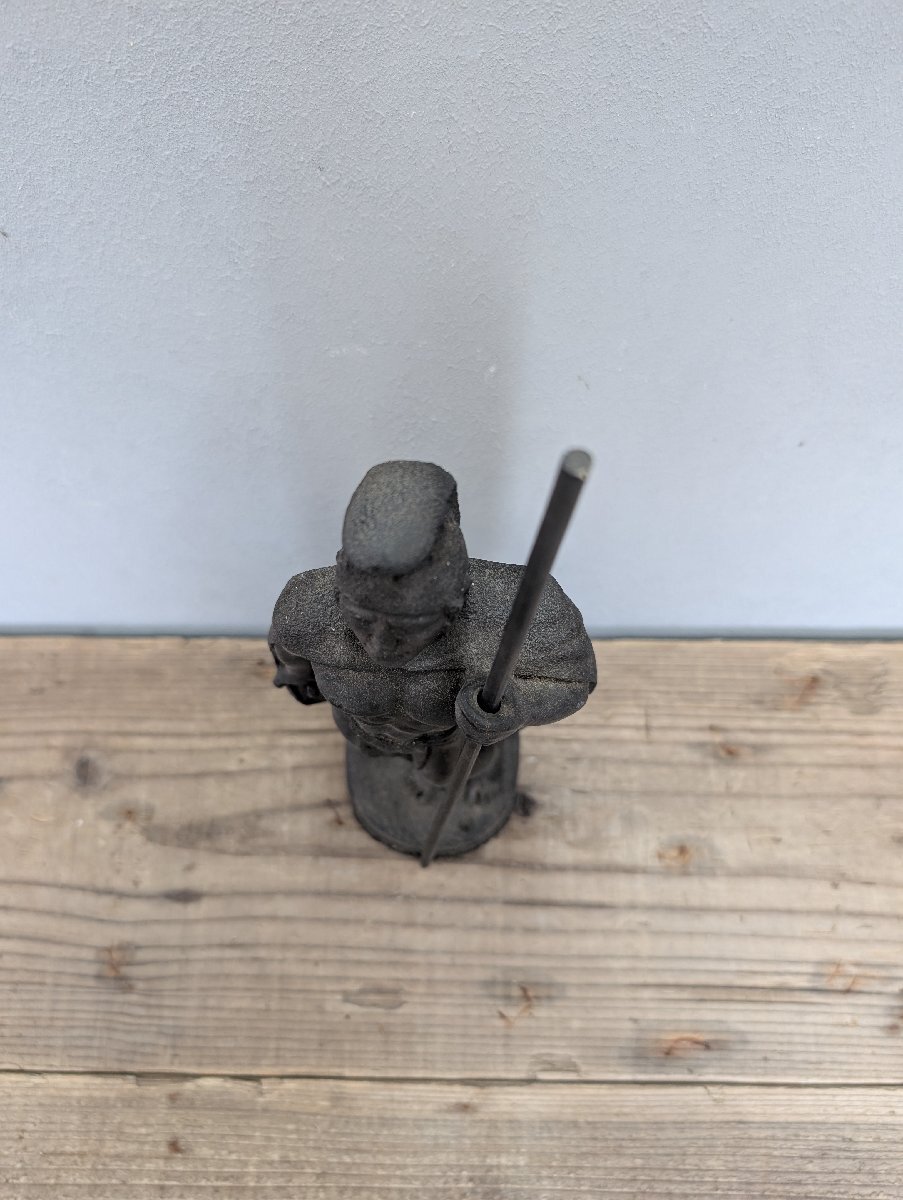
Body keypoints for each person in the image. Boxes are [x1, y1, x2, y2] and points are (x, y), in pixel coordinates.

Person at [270, 460, 596, 854]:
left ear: (454, 601)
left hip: (448, 741)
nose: (381, 644)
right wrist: (296, 678)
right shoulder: (305, 611)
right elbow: (291, 661)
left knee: (451, 773)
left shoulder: (516, 615)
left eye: (409, 626)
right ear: (340, 591)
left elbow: (572, 681)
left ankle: (467, 780)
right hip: (364, 730)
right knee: (373, 748)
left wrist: (518, 706)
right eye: (363, 619)